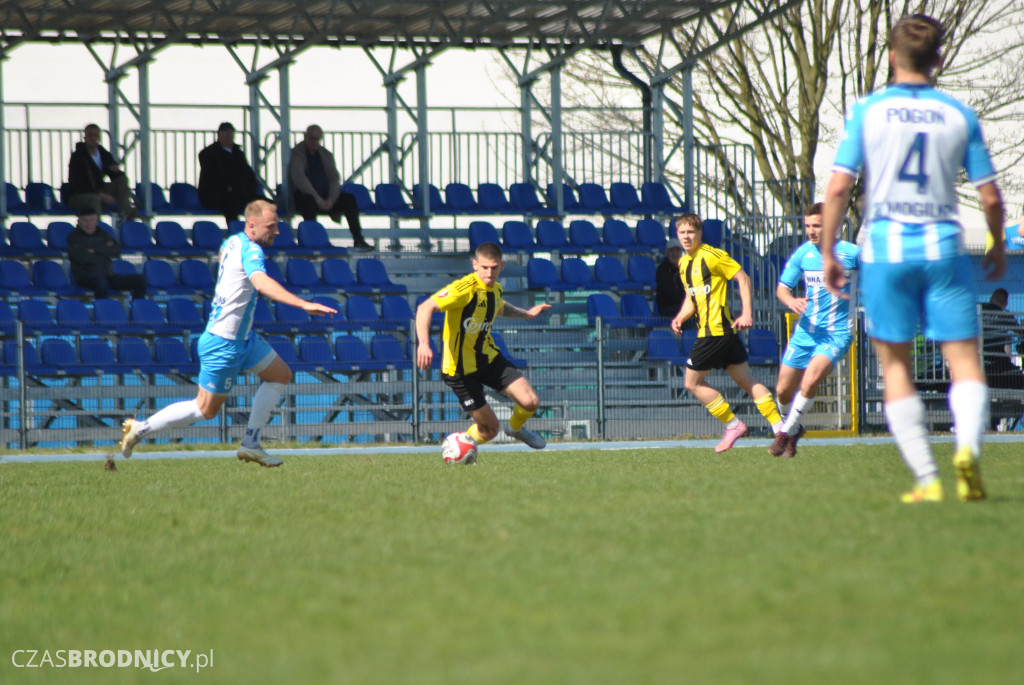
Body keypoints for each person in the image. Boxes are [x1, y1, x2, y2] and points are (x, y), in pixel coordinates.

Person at [821, 14, 1006, 503]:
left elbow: (839, 185)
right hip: (943, 247)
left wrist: (828, 252)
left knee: (895, 365)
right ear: (939, 60)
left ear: (891, 58)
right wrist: (997, 244)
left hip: (885, 249)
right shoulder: (958, 114)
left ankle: (927, 478)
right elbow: (990, 199)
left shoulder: (868, 110)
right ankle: (966, 450)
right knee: (965, 362)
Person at [119, 199, 337, 467]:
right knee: (205, 409)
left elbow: (225, 256)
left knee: (280, 374)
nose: (277, 231)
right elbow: (260, 282)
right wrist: (304, 304)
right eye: (272, 226)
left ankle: (251, 444)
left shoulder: (233, 240)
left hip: (242, 338)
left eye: (277, 225)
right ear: (252, 224)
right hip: (224, 342)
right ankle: (139, 429)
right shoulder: (253, 251)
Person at [415, 241, 550, 453]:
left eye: (494, 267)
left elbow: (500, 306)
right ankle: (458, 449)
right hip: (460, 371)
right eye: (485, 267)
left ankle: (515, 429)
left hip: (488, 359)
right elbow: (426, 307)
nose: (489, 272)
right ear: (475, 264)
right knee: (489, 430)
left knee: (530, 401)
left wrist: (527, 314)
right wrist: (423, 344)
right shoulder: (464, 289)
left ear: (502, 266)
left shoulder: (495, 289)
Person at [669, 213, 784, 452]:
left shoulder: (713, 256)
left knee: (691, 383)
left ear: (700, 233)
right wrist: (681, 316)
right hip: (722, 332)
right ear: (677, 235)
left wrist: (748, 313)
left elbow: (743, 278)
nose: (687, 237)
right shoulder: (683, 263)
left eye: (691, 232)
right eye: (682, 233)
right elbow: (693, 298)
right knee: (746, 381)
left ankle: (733, 425)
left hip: (715, 331)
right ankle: (780, 428)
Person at [768, 202, 859, 458]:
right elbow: (782, 288)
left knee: (810, 379)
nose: (811, 230)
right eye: (807, 225)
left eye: (816, 225)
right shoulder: (803, 254)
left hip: (837, 333)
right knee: (782, 390)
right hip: (806, 331)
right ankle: (793, 429)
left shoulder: (851, 254)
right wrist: (790, 301)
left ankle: (784, 434)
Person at [289, 124, 371, 251]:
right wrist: (318, 199)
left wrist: (331, 199)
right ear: (305, 137)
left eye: (317, 139)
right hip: (306, 196)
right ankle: (312, 240)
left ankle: (358, 239)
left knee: (349, 199)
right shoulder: (296, 154)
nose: (315, 142)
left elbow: (334, 178)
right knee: (307, 201)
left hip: (325, 196)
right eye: (312, 138)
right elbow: (300, 179)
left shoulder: (326, 155)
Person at [66, 208, 146, 299]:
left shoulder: (102, 233)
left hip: (108, 275)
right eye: (85, 221)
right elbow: (83, 258)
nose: (89, 224)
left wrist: (95, 250)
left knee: (140, 280)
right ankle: (103, 310)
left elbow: (116, 250)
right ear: (79, 222)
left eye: (92, 220)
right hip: (85, 276)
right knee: (100, 281)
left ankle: (137, 309)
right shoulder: (74, 238)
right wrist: (104, 252)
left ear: (96, 221)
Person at [66, 123, 137, 220]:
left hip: (99, 192)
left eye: (96, 136)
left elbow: (115, 174)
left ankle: (124, 212)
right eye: (90, 135)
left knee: (122, 179)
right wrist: (101, 195)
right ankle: (95, 227)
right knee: (95, 199)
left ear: (99, 138)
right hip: (78, 196)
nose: (93, 138)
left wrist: (116, 171)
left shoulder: (103, 153)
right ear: (85, 137)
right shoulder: (78, 157)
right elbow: (78, 184)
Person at [198, 122, 263, 225]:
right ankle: (236, 232)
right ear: (218, 135)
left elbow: (248, 175)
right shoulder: (208, 154)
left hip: (238, 193)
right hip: (216, 195)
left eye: (231, 132)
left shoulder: (238, 153)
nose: (228, 136)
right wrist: (228, 187)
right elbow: (213, 178)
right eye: (225, 132)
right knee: (231, 204)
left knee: (264, 203)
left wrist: (247, 189)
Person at [980, 288, 1023, 389]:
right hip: (997, 361)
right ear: (1006, 303)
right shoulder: (1005, 315)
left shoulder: (978, 310)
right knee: (1018, 378)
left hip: (975, 358)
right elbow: (1019, 331)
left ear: (991, 299)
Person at [655, 237, 686, 317]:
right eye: (672, 251)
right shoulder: (662, 270)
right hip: (668, 308)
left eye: (677, 250)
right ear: (667, 253)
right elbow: (671, 294)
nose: (675, 254)